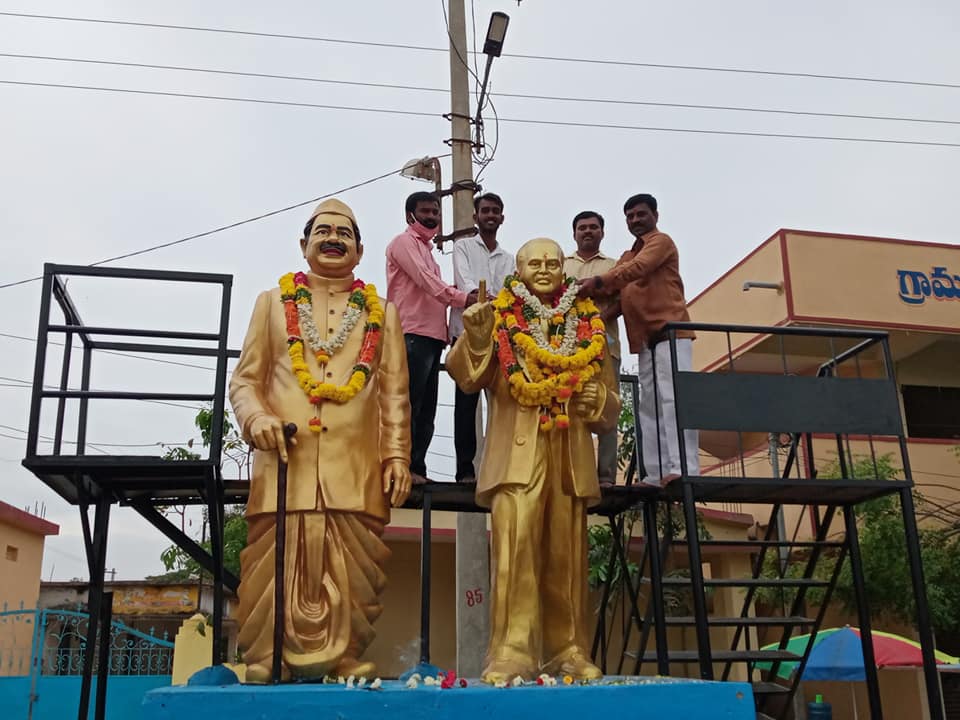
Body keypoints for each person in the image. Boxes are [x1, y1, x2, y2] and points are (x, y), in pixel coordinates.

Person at [230, 198, 412, 682]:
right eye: (323, 231)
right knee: (272, 567)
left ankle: (344, 657)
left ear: (360, 251)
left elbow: (394, 394)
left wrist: (397, 456)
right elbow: (245, 381)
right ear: (304, 243)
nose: (333, 239)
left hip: (353, 465)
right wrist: (256, 418)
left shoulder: (383, 313)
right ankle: (266, 657)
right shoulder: (272, 303)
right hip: (284, 463)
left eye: (344, 233)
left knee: (352, 571)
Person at [446, 238, 620, 684]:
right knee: (515, 553)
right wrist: (477, 336)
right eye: (534, 263)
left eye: (551, 263)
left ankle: (569, 651)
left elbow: (610, 407)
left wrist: (597, 399)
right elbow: (466, 377)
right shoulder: (499, 316)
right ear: (518, 271)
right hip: (516, 455)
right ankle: (511, 653)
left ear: (564, 270)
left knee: (567, 559)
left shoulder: (588, 324)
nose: (543, 270)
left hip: (568, 453)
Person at [578, 193, 698, 485]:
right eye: (630, 216)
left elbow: (634, 271)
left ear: (655, 215)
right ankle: (655, 473)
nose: (635, 220)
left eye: (641, 214)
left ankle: (684, 467)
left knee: (673, 399)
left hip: (671, 333)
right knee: (650, 405)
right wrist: (585, 301)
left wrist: (595, 282)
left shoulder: (660, 243)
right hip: (645, 340)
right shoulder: (628, 255)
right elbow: (616, 290)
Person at [386, 191, 478, 484]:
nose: (431, 217)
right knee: (409, 405)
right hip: (411, 333)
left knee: (426, 410)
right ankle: (401, 466)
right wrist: (464, 298)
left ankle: (417, 468)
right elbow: (427, 282)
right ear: (409, 215)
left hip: (432, 337)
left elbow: (434, 285)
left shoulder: (427, 250)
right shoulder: (403, 243)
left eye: (435, 212)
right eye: (425, 211)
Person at [449, 192, 514, 483]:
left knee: (502, 404)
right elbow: (469, 289)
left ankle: (497, 470)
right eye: (485, 210)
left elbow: (510, 294)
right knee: (466, 404)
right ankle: (465, 471)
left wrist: (491, 300)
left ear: (502, 218)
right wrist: (490, 299)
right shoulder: (462, 247)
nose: (490, 215)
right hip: (467, 335)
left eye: (495, 211)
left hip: (500, 337)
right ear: (476, 216)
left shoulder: (508, 258)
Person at [564, 210, 622, 486]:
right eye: (582, 227)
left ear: (602, 232)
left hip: (606, 347)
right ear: (574, 234)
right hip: (567, 351)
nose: (587, 231)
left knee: (608, 406)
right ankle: (574, 472)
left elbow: (623, 301)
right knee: (569, 408)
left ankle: (606, 475)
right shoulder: (561, 265)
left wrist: (598, 321)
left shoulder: (615, 266)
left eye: (593, 227)